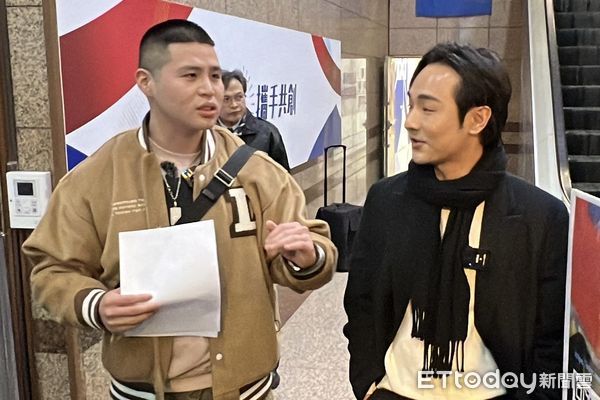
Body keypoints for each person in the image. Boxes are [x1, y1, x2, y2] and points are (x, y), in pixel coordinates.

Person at [23, 19, 336, 400]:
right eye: (190, 75)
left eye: (215, 76)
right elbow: (52, 270)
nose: (210, 89)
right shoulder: (98, 176)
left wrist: (306, 256)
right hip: (141, 390)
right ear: (146, 82)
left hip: (243, 389)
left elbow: (315, 254)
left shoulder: (257, 171)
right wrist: (97, 304)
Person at [343, 42, 568, 400]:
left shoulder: (541, 217)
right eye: (410, 105)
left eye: (428, 109)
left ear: (478, 119)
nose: (410, 121)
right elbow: (362, 303)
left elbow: (551, 337)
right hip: (395, 391)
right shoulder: (386, 200)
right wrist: (369, 384)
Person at [218, 69, 290, 171]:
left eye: (239, 97)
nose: (234, 105)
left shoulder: (267, 133)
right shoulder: (204, 134)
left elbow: (283, 177)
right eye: (226, 99)